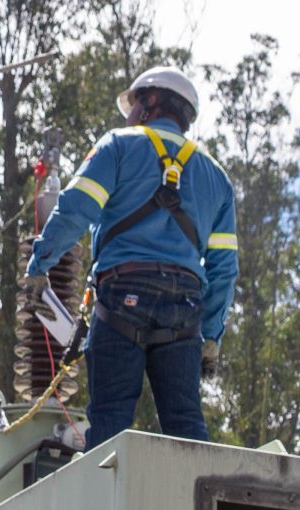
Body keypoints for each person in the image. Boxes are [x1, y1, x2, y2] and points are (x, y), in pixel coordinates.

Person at [22, 66, 238, 448]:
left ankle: (106, 503)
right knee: (186, 424)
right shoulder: (216, 177)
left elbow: (75, 209)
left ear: (151, 103)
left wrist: (40, 264)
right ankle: (196, 506)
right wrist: (211, 338)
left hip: (123, 297)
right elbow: (223, 269)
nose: (129, 114)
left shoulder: (118, 145)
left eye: (134, 103)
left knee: (110, 420)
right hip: (185, 307)